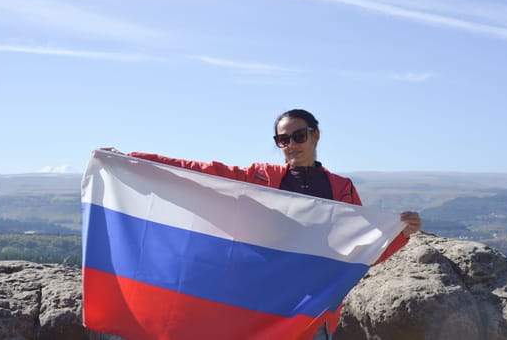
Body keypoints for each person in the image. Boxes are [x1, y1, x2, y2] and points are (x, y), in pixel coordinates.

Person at [103, 108, 421, 339]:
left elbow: (362, 252)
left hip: (315, 303)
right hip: (263, 297)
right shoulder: (260, 178)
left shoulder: (341, 188)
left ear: (315, 135)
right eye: (282, 139)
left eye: (298, 135)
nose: (291, 144)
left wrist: (400, 235)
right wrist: (133, 159)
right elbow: (200, 171)